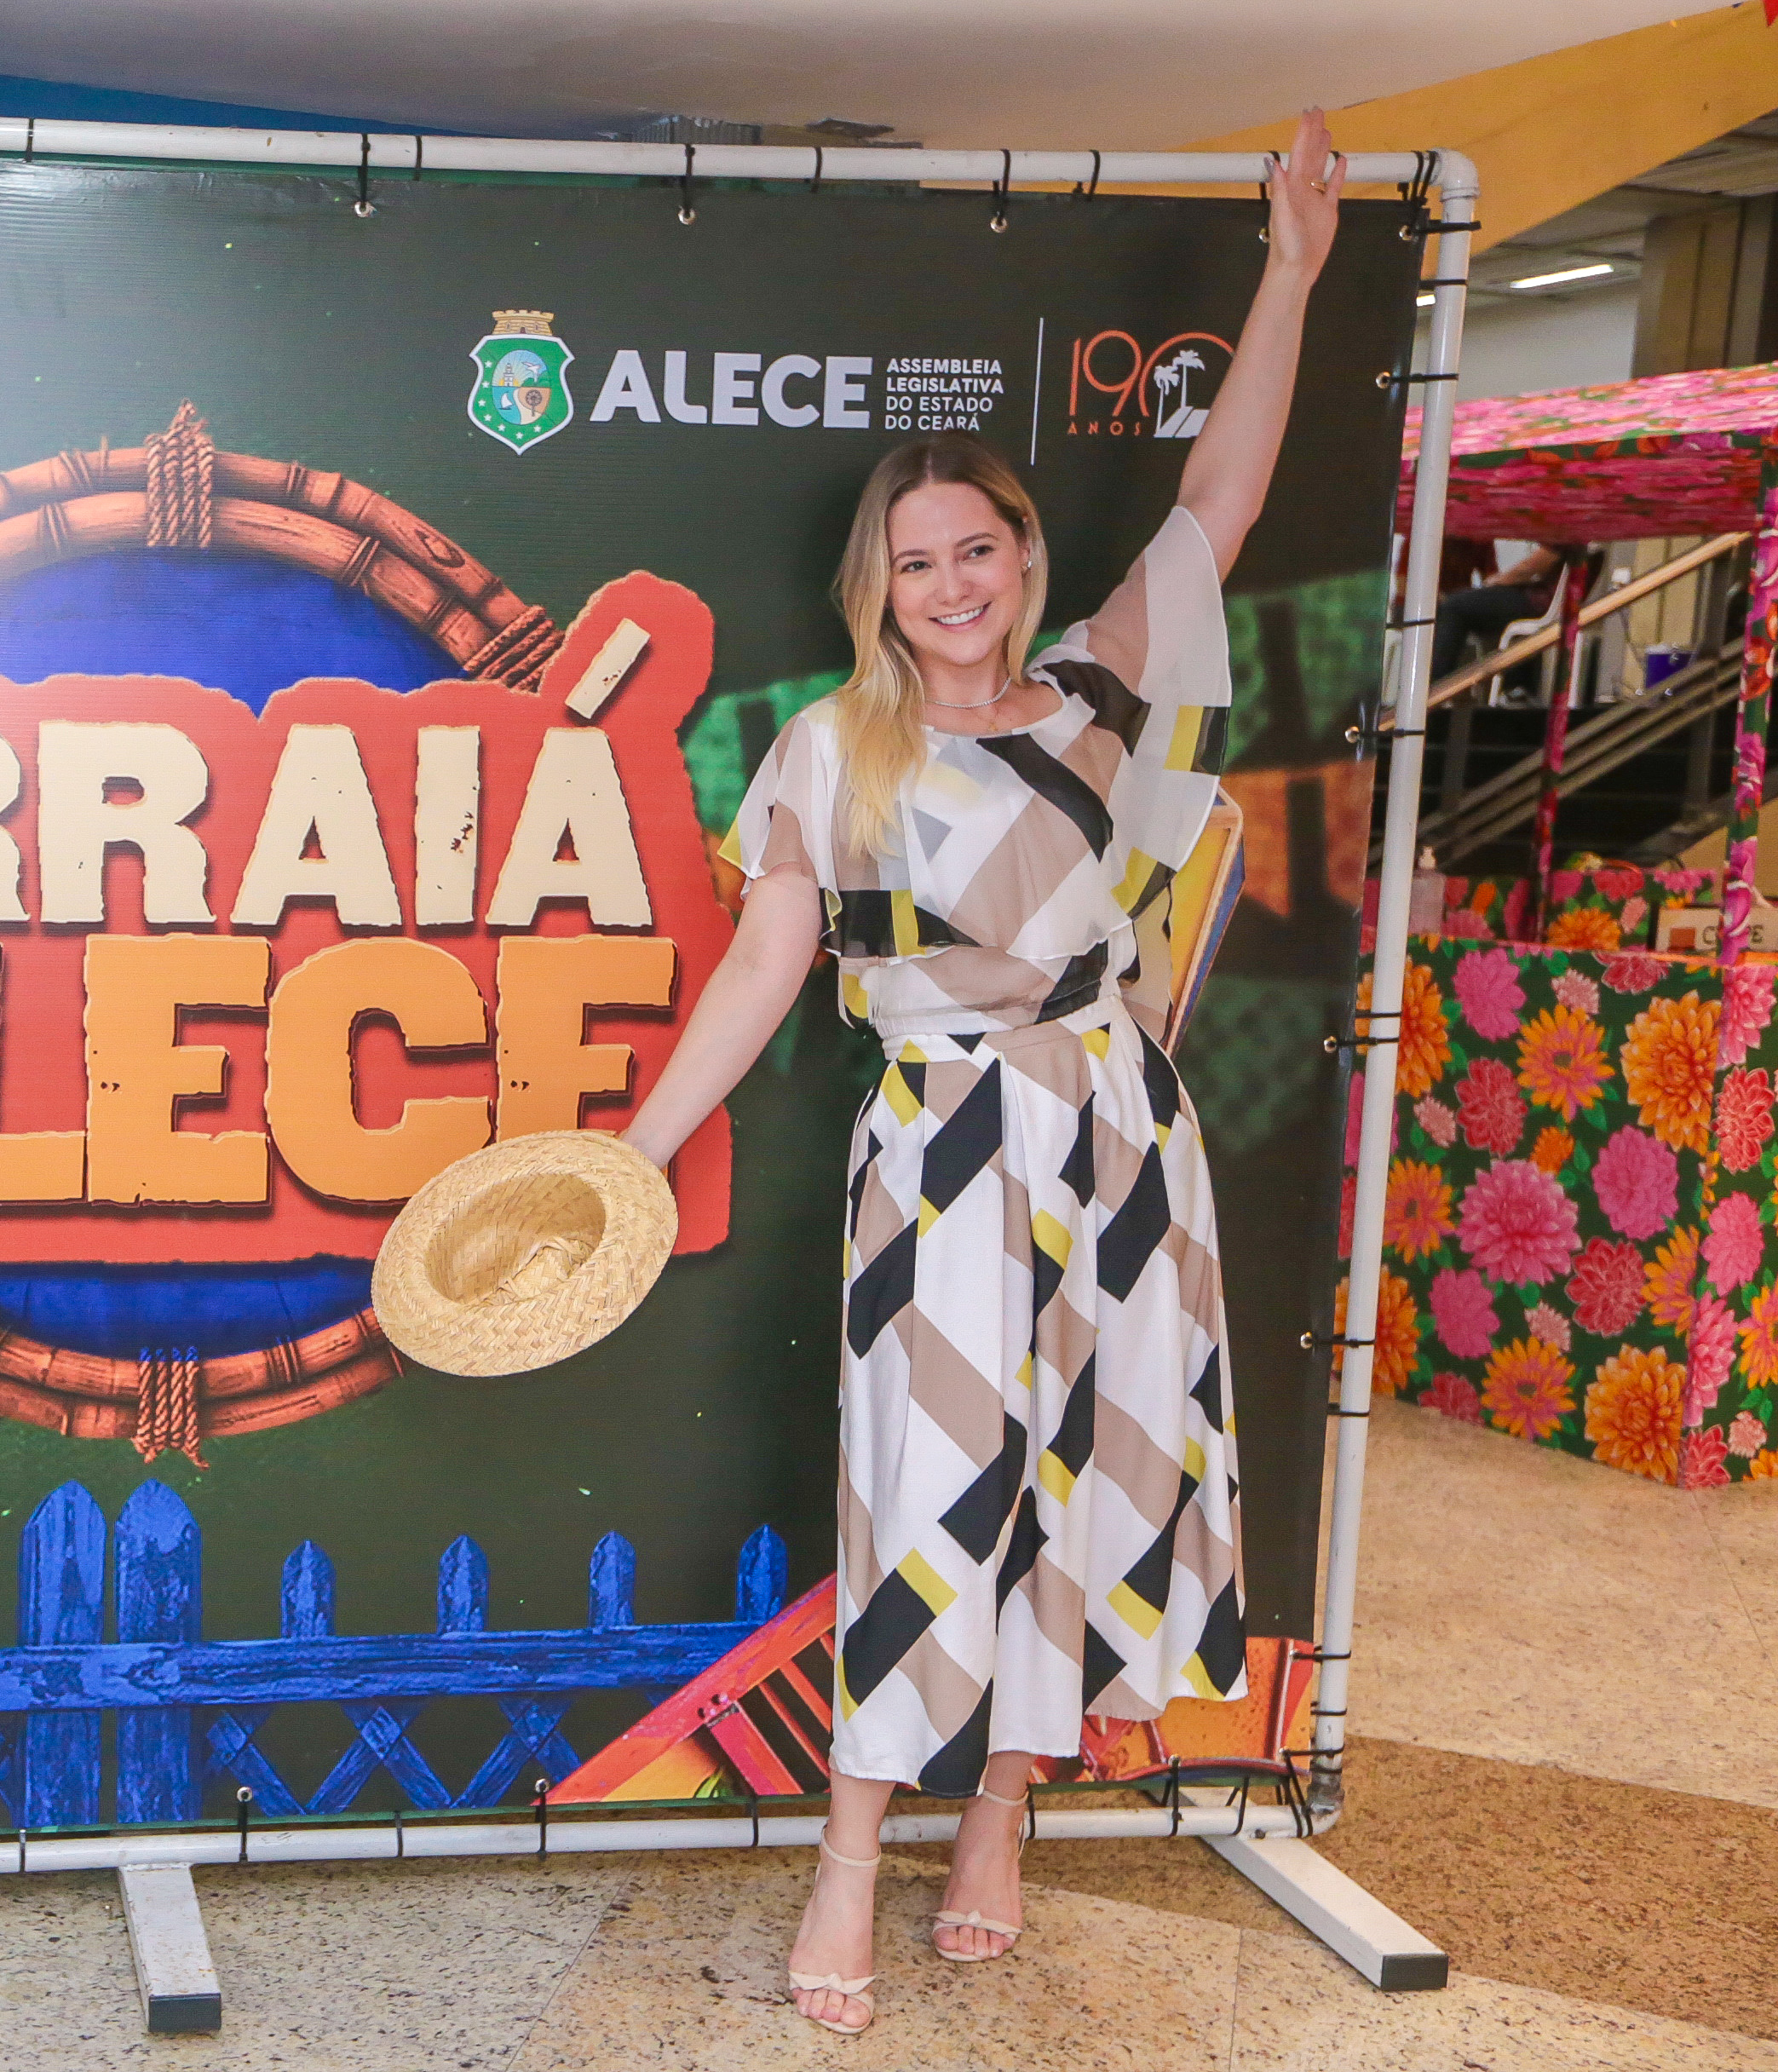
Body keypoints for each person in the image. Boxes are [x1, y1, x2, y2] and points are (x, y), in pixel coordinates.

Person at [615, 112, 1340, 2038]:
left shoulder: (1101, 687)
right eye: (912, 559)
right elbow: (764, 971)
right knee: (923, 1490)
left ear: (1022, 559)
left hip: (1117, 1136)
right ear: (876, 584)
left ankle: (1000, 1814)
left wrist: (1291, 274)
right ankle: (854, 1852)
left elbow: (1221, 499)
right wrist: (632, 1156)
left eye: (976, 548)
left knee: (1088, 1478)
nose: (948, 582)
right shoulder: (822, 749)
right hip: (936, 1149)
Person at [1431, 541, 1585, 687]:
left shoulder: (1564, 533)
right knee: (1461, 604)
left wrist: (1498, 581)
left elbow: (1535, 565)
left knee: (1454, 607)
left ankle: (1433, 686)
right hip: (1540, 599)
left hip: (1538, 601)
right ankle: (1512, 686)